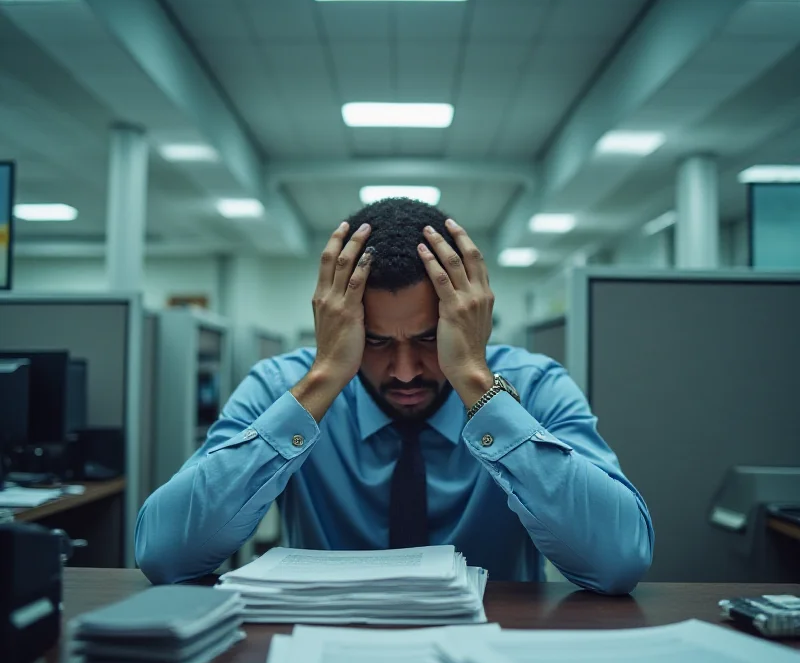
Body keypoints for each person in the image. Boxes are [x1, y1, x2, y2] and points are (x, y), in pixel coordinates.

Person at [136, 198, 653, 593]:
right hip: (324, 646)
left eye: (430, 338)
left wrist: (474, 377)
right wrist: (322, 380)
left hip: (493, 650)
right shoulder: (284, 387)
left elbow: (618, 562)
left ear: (470, 318)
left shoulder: (535, 386)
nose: (405, 372)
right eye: (377, 342)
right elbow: (165, 554)